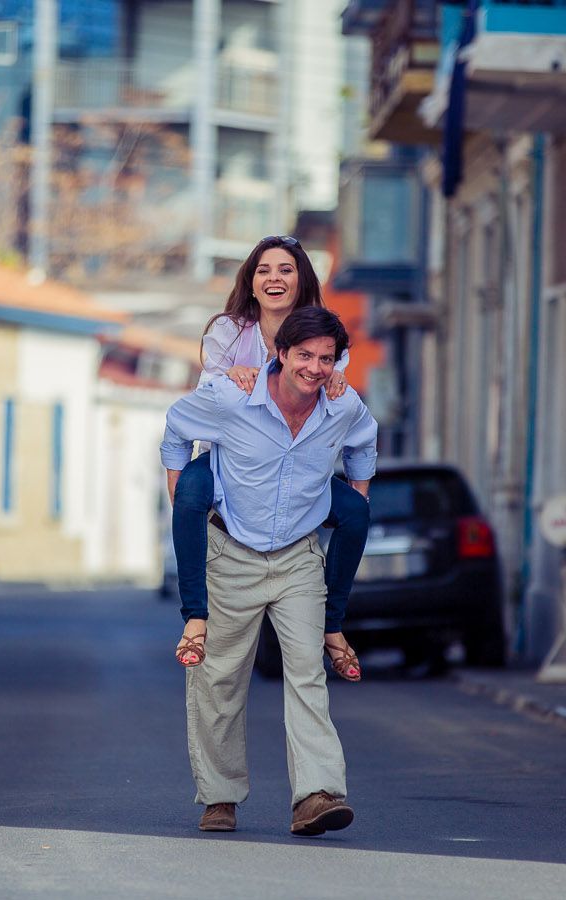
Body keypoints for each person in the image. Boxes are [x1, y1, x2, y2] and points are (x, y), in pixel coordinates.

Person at [160, 306, 377, 836]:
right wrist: (183, 496)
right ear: (279, 354)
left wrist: (356, 496)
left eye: (326, 358)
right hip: (231, 554)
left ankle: (316, 795)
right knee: (220, 679)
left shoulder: (343, 406)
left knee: (306, 674)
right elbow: (174, 431)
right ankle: (219, 796)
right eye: (304, 355)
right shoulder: (232, 399)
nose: (315, 367)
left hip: (298, 560)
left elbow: (364, 445)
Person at [172, 235, 369, 683]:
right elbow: (205, 399)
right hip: (231, 458)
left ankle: (332, 625)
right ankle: (195, 616)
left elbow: (333, 384)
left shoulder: (325, 332)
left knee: (356, 513)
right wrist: (229, 374)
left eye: (285, 270)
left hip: (297, 466)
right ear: (252, 280)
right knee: (188, 493)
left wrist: (337, 381)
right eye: (264, 270)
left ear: (301, 280)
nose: (274, 278)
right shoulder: (228, 330)